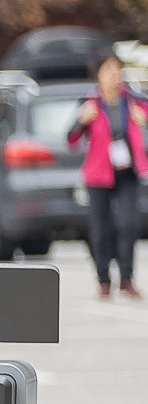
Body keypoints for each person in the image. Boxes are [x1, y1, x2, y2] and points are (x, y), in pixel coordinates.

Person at [67, 53, 145, 299]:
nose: (114, 76)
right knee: (101, 229)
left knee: (128, 225)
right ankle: (103, 278)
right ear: (98, 75)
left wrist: (143, 122)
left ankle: (126, 278)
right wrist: (81, 121)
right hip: (99, 174)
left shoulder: (133, 102)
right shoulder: (89, 103)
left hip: (128, 172)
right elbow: (71, 139)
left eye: (117, 70)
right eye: (108, 71)